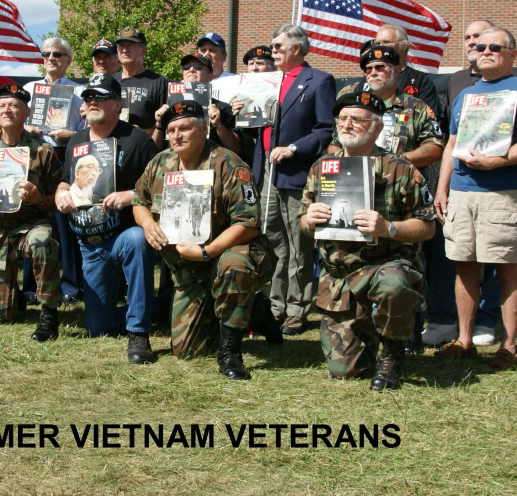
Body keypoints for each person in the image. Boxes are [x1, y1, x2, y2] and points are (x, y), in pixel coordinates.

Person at [300, 90, 435, 389]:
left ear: (376, 127)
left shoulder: (399, 168)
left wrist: (388, 228)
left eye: (357, 120)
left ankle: (392, 354)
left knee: (394, 284)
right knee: (344, 371)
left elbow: (428, 226)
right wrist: (310, 220)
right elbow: (304, 221)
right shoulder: (321, 168)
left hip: (384, 265)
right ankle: (373, 333)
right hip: (340, 276)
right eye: (342, 119)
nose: (347, 125)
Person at [134, 101, 275, 379]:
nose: (177, 136)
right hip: (188, 270)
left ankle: (231, 352)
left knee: (234, 267)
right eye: (172, 130)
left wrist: (208, 251)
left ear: (204, 129)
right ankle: (253, 311)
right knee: (186, 351)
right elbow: (139, 200)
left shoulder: (229, 164)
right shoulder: (161, 162)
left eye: (185, 128)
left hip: (228, 254)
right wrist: (148, 223)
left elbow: (248, 224)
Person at [433, 26, 517, 370]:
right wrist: (442, 187)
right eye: (480, 46)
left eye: (495, 47)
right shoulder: (466, 94)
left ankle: (508, 347)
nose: (486, 50)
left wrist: (500, 160)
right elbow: (452, 144)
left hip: (502, 193)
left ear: (512, 54)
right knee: (464, 267)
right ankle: (464, 341)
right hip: (462, 193)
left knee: (506, 268)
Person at [54, 74, 160, 363]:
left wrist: (130, 195)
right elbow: (65, 181)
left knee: (138, 240)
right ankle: (156, 308)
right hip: (89, 243)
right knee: (99, 329)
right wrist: (61, 194)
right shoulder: (75, 140)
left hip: (123, 236)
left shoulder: (138, 140)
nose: (92, 102)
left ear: (117, 103)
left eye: (100, 97)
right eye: (88, 97)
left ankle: (139, 333)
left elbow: (158, 190)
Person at [245, 23, 336, 335]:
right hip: (266, 169)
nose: (273, 53)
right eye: (273, 47)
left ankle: (297, 308)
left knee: (299, 243)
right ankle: (274, 305)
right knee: (271, 238)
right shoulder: (268, 81)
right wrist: (238, 111)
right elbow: (253, 124)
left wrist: (295, 148)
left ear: (297, 49)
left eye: (278, 47)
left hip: (297, 170)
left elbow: (325, 129)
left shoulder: (319, 81)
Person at [0, 83, 63, 340]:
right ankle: (14, 297)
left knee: (44, 242)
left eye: (14, 105)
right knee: (2, 317)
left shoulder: (43, 151)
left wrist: (37, 197)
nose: (7, 110)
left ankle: (48, 313)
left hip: (31, 225)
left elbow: (57, 200)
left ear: (26, 112)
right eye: (2, 106)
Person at [23, 37, 87, 304]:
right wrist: (27, 129)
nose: (52, 58)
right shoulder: (28, 88)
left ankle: (71, 286)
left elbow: (88, 132)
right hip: (35, 156)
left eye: (58, 55)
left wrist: (71, 135)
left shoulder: (81, 91)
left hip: (64, 155)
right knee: (33, 218)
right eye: (47, 54)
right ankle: (30, 287)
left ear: (68, 61)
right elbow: (12, 121)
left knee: (66, 220)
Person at [152, 54, 243, 156]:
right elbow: (154, 148)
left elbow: (236, 149)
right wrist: (159, 124)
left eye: (198, 67)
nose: (191, 70)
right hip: (176, 165)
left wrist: (218, 124)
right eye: (186, 67)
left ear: (210, 76)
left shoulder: (222, 108)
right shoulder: (170, 108)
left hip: (210, 164)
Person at [117, 27, 168, 135]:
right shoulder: (110, 81)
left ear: (144, 51)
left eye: (130, 45)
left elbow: (166, 124)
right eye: (121, 46)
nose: (125, 50)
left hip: (146, 148)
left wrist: (142, 133)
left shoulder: (158, 82)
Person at [195, 31, 237, 101]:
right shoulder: (186, 83)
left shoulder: (236, 82)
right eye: (203, 50)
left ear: (224, 56)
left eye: (212, 50)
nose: (207, 54)